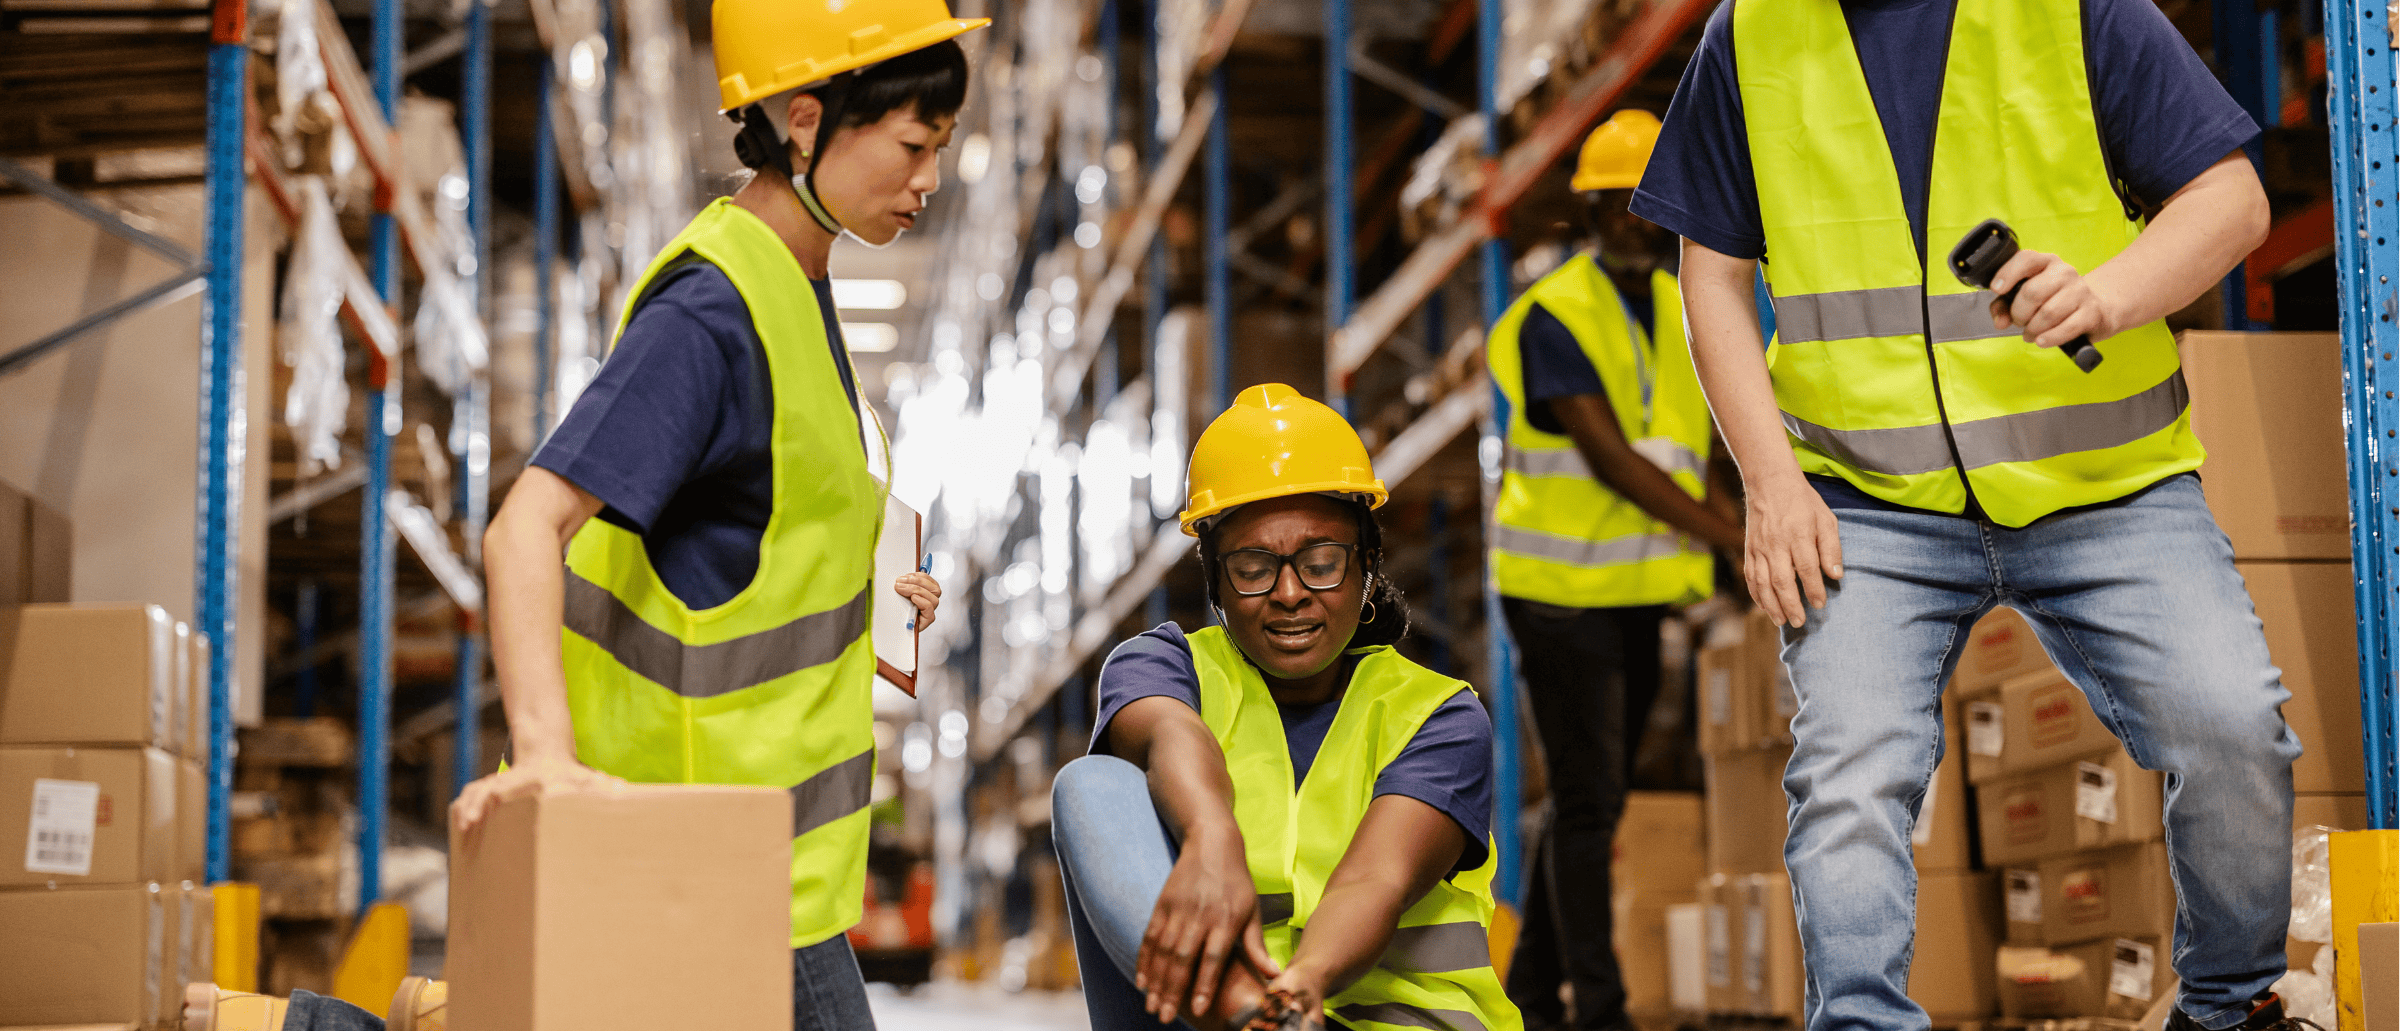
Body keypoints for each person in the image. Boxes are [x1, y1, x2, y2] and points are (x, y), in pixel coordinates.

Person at [1629, 1, 2300, 1031]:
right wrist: (1770, 482)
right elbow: (1710, 275)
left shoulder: (2077, 8)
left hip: (2101, 478)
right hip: (1870, 497)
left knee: (2231, 723)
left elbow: (2232, 201)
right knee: (1850, 779)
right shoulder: (1749, 33)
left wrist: (2107, 295)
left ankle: (2224, 1007)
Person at [448, 2, 985, 1027]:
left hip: (758, 851)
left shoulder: (796, 288)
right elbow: (524, 525)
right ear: (806, 119)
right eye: (914, 145)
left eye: (942, 148)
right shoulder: (713, 312)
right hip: (684, 841)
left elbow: (745, 543)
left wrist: (862, 599)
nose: (929, 179)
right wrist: (547, 754)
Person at [1050, 384, 1522, 1031]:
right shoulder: (1164, 665)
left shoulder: (1437, 715)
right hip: (1228, 1019)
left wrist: (1300, 989)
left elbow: (1374, 880)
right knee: (1091, 782)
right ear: (1214, 579)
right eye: (1253, 566)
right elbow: (1167, 733)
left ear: (1367, 568)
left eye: (1322, 561)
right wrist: (1210, 833)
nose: (1291, 592)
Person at [1485, 108, 1743, 1031]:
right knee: (1589, 802)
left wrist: (1741, 520)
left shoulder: (1682, 305)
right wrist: (1729, 536)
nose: (1637, 224)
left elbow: (1699, 435)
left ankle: (1527, 992)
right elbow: (1613, 461)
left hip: (1636, 591)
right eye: (1617, 207)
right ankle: (1598, 1009)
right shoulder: (1554, 316)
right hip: (1555, 595)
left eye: (1650, 207)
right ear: (1588, 215)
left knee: (1597, 794)